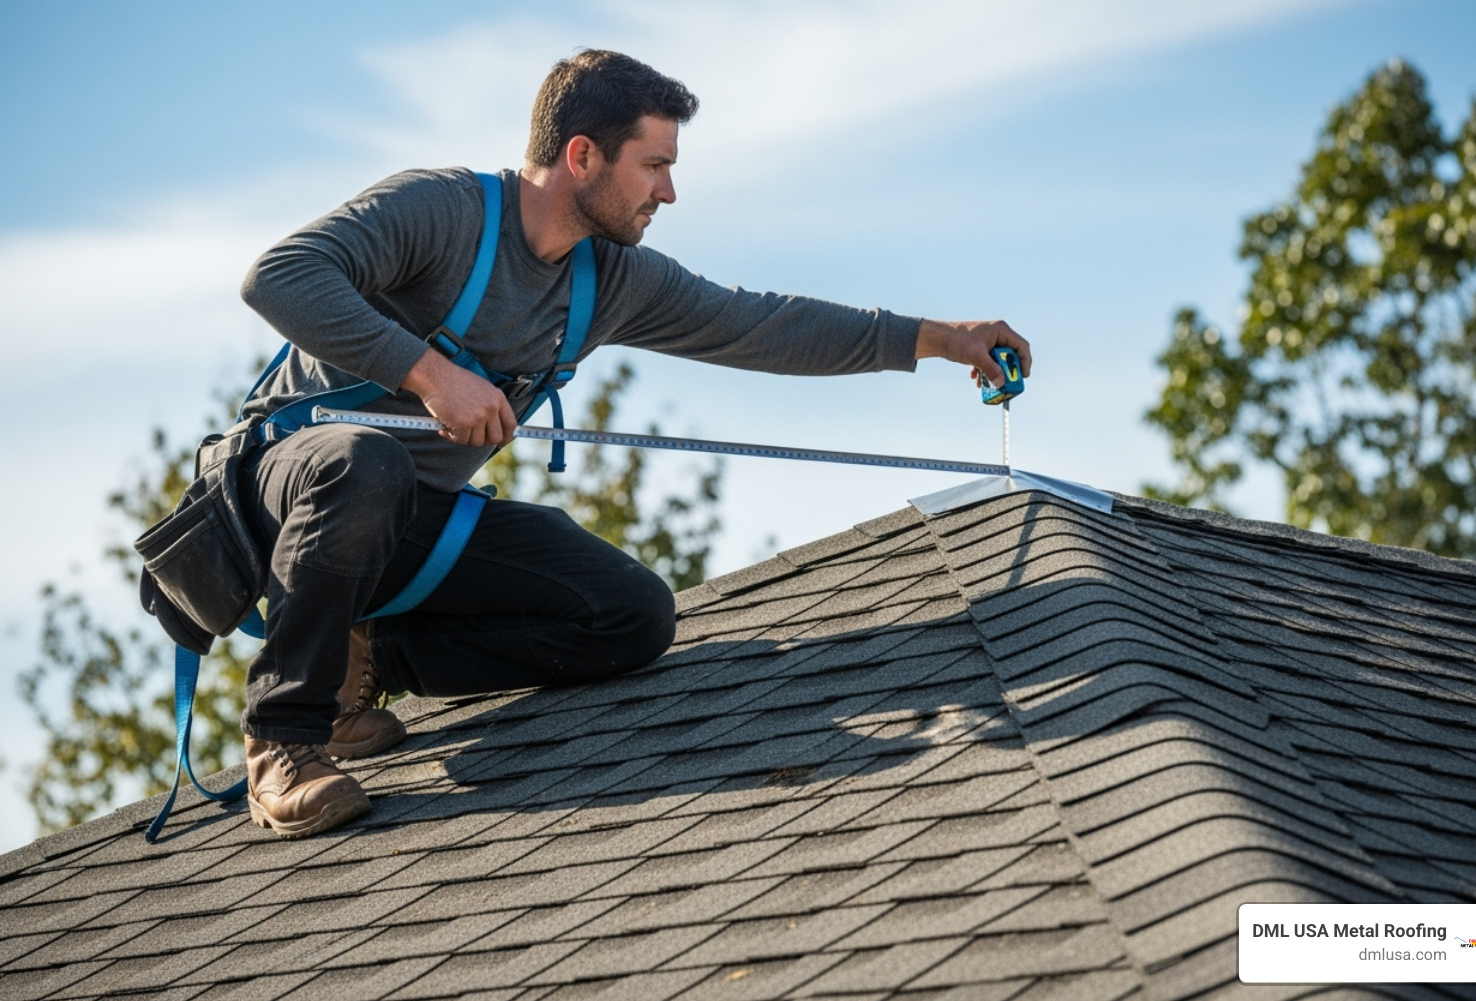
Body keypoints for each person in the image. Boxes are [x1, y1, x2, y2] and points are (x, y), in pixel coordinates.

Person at [235, 49, 1031, 839]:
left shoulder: (611, 279)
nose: (669, 191)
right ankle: (283, 740)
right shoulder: (441, 211)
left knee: (631, 616)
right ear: (582, 156)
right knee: (364, 459)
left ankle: (370, 655)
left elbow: (761, 323)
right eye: (654, 165)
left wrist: (938, 338)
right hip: (287, 494)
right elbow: (279, 276)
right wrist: (430, 375)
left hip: (410, 524)